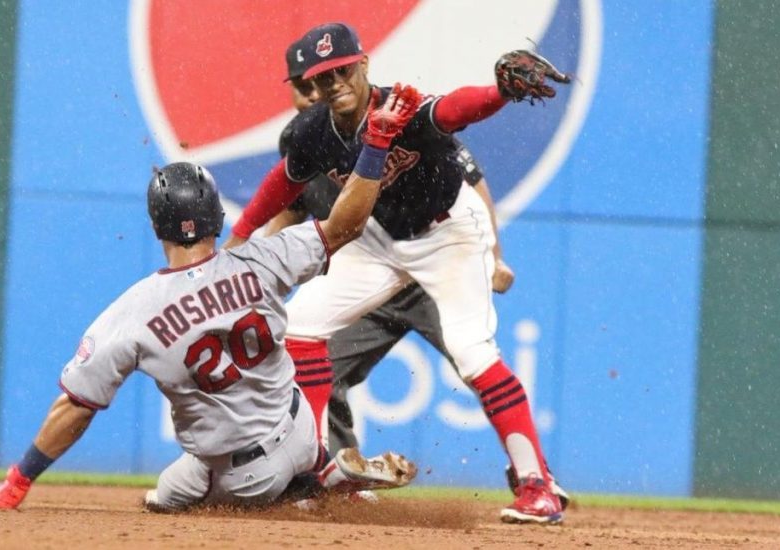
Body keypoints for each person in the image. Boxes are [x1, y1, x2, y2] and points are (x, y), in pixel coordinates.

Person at [0, 83, 425, 512]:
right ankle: (318, 467)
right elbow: (346, 225)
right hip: (300, 429)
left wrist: (18, 482)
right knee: (174, 484)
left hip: (244, 475)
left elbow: (76, 406)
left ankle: (317, 485)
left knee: (166, 504)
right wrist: (375, 147)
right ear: (216, 217)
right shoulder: (262, 260)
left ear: (158, 224)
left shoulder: (134, 310)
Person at [225, 22, 570, 524]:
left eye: (342, 70)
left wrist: (499, 92)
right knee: (300, 325)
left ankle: (537, 484)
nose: (333, 84)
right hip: (377, 241)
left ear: (363, 64)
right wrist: (239, 237)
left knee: (473, 353)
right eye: (321, 78)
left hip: (447, 233)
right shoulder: (313, 131)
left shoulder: (401, 109)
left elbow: (454, 108)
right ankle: (313, 467)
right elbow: (283, 182)